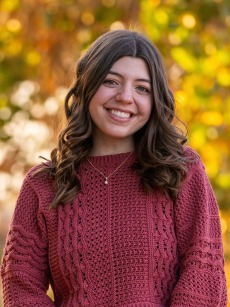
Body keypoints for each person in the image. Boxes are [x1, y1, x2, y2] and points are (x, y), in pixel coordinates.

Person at [0, 29, 227, 306]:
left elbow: (204, 273)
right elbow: (20, 286)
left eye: (142, 88)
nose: (125, 97)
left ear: (155, 100)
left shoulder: (181, 171)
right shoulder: (45, 184)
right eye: (111, 81)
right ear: (87, 85)